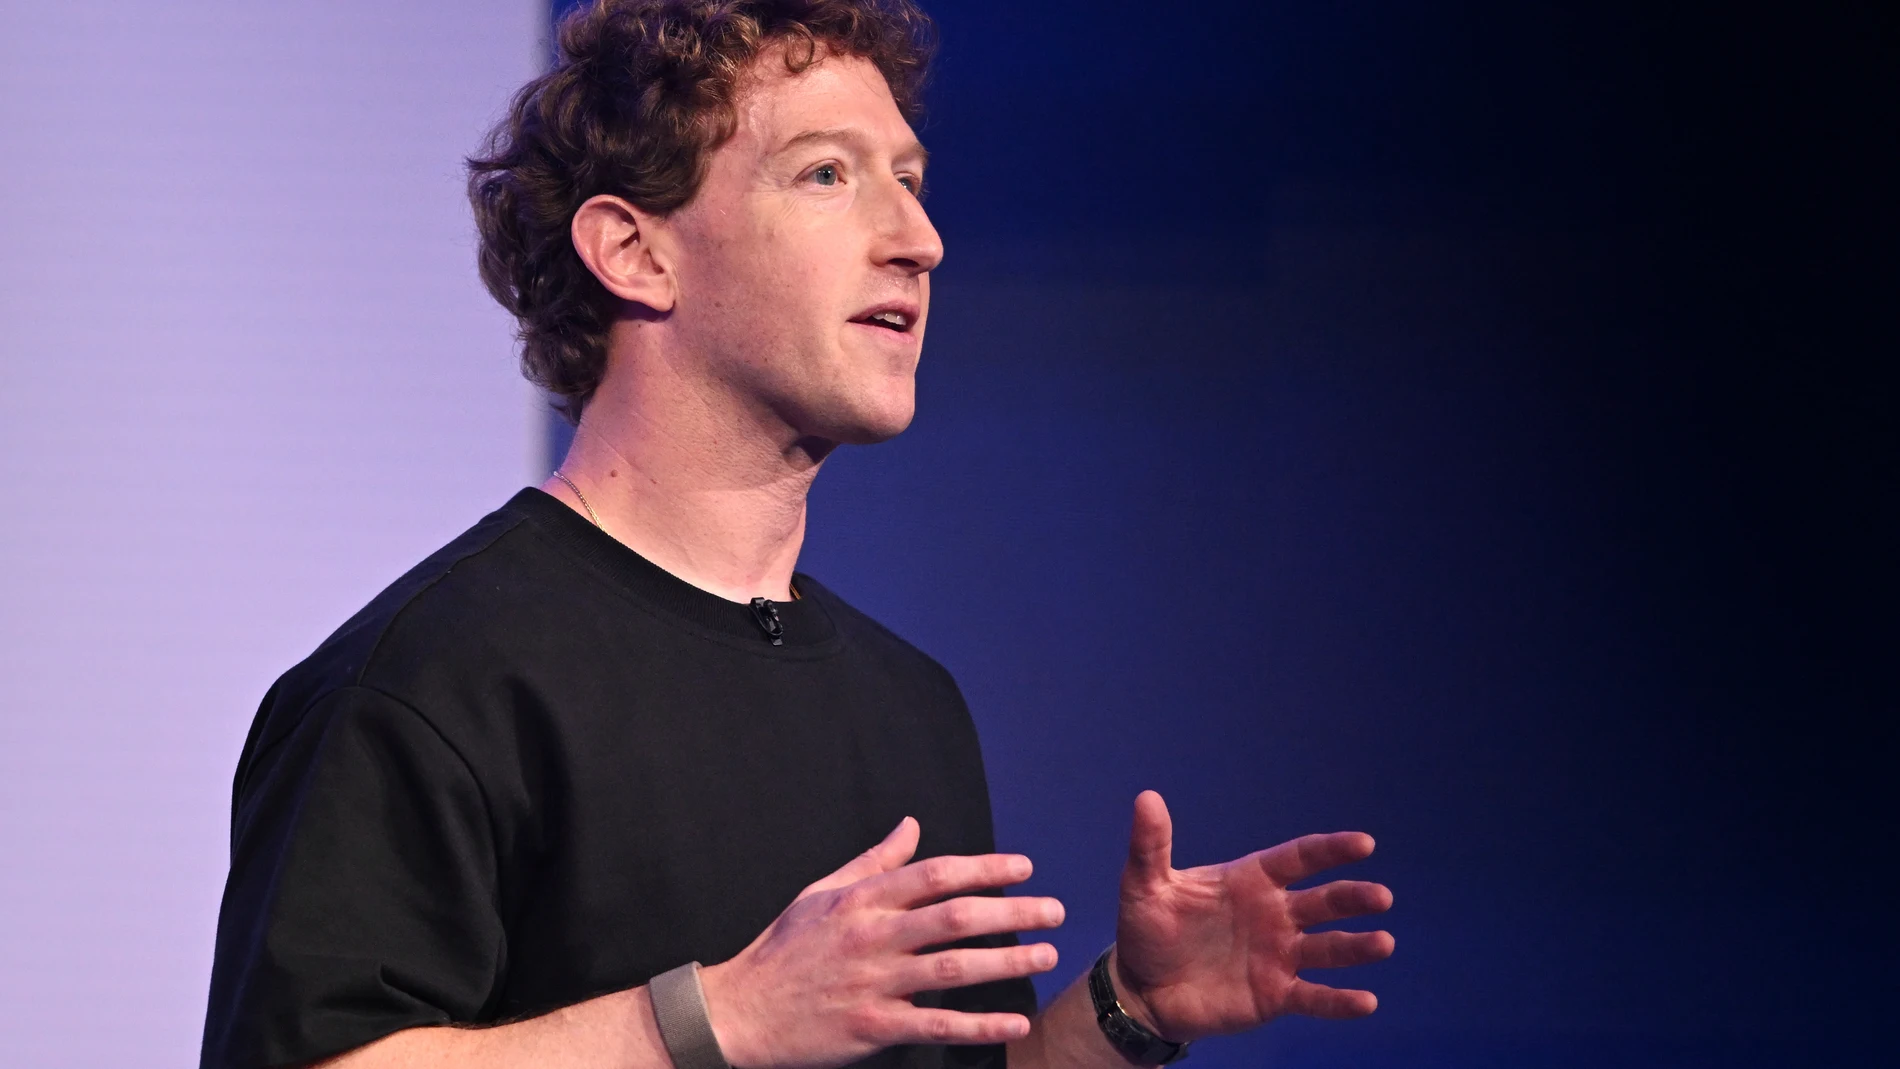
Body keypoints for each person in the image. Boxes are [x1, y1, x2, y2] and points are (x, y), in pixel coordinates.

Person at [198, 1, 1395, 1067]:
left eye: (911, 180)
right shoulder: (427, 682)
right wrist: (716, 1020)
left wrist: (1124, 1014)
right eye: (827, 175)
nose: (916, 239)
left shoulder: (907, 702)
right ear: (635, 251)